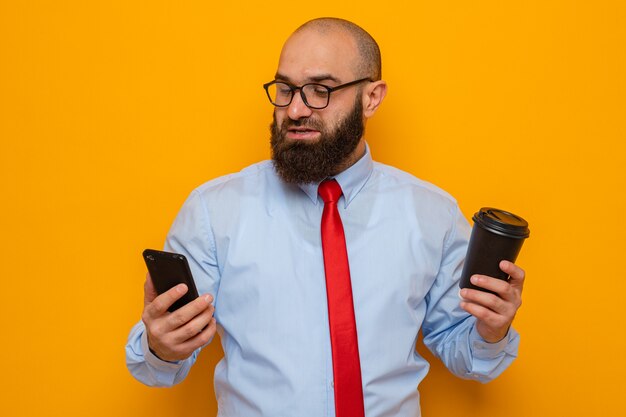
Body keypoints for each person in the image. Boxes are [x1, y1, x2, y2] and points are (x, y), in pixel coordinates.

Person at [126, 17, 525, 417]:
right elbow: (157, 367)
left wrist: (491, 332)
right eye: (285, 90)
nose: (296, 109)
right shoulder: (214, 211)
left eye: (320, 90)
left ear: (372, 97)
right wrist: (161, 345)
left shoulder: (432, 214)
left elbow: (465, 352)